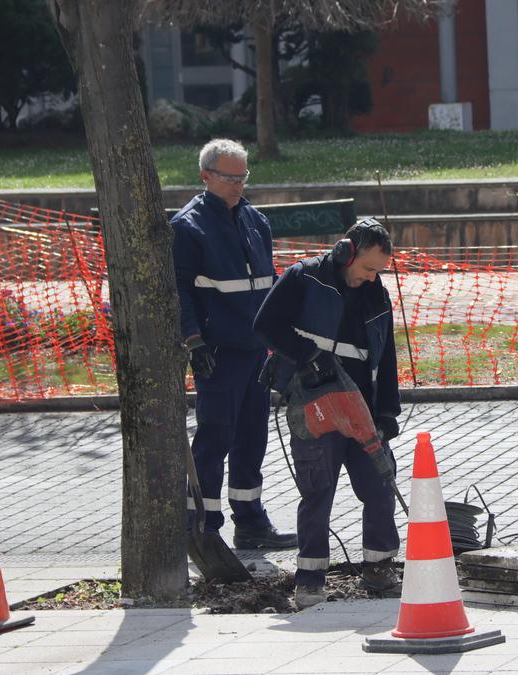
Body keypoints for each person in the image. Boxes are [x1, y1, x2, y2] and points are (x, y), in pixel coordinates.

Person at [253, 218, 402, 609]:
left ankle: (379, 567)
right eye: (368, 268)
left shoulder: (376, 294)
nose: (372, 278)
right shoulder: (304, 278)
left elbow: (386, 356)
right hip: (314, 405)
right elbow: (265, 325)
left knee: (380, 483)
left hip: (362, 408)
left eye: (379, 271)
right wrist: (308, 358)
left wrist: (387, 413)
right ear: (346, 252)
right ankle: (310, 578)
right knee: (318, 490)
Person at [171, 138, 297, 550]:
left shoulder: (255, 221)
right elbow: (180, 292)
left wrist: (278, 344)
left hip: (256, 350)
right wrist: (194, 342)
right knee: (216, 436)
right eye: (229, 177)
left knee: (251, 437)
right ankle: (202, 526)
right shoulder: (188, 227)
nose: (238, 185)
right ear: (205, 176)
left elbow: (270, 287)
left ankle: (251, 523)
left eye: (243, 176)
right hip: (219, 353)